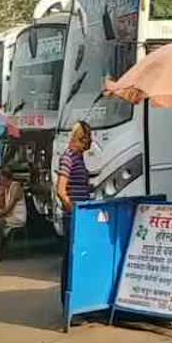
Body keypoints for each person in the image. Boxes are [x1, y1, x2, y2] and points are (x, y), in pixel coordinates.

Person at [56, 121, 92, 307]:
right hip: (73, 217)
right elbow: (61, 190)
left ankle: (78, 302)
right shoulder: (68, 157)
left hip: (81, 215)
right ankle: (68, 303)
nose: (90, 143)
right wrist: (73, 210)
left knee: (78, 258)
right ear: (82, 139)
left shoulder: (79, 157)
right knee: (70, 260)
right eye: (88, 138)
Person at [0, 167, 27, 262]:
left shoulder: (15, 187)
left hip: (17, 217)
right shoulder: (5, 188)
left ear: (5, 177)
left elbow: (9, 208)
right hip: (8, 215)